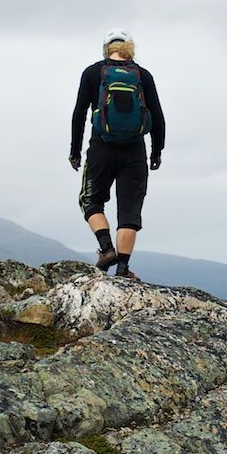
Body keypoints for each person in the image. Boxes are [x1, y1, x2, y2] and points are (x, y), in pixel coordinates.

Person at [69, 31, 164, 278]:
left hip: (101, 148)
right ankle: (122, 269)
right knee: (129, 212)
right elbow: (158, 116)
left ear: (106, 49)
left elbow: (79, 113)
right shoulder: (142, 75)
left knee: (90, 201)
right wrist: (157, 151)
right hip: (134, 151)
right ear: (130, 49)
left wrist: (75, 151)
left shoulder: (93, 73)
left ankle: (106, 248)